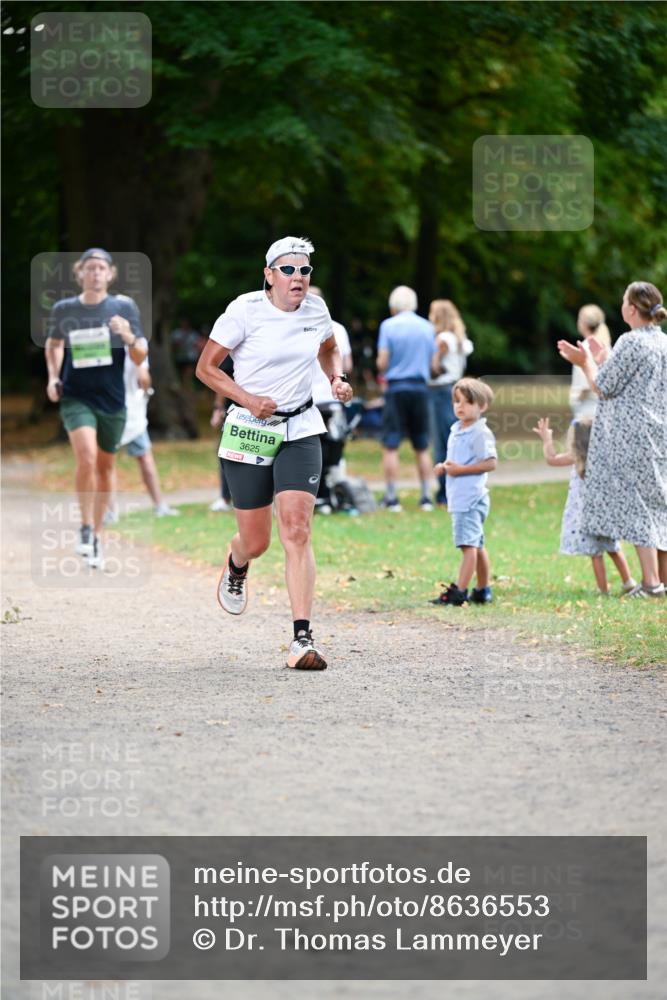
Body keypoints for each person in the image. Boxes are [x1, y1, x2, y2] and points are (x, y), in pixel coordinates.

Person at [195, 236, 353, 670]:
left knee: (297, 529)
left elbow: (327, 348)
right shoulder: (244, 310)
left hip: (300, 427)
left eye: (304, 271)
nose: (298, 278)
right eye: (288, 270)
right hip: (249, 429)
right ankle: (237, 561)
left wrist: (335, 378)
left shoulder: (317, 311)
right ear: (269, 275)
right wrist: (246, 398)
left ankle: (303, 639)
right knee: (257, 540)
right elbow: (206, 369)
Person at [558, 281, 667, 598]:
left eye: (623, 301)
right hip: (660, 434)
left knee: (639, 508)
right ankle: (661, 580)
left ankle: (650, 584)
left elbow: (602, 387)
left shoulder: (631, 341)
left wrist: (585, 362)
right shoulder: (662, 342)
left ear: (632, 308)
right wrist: (605, 358)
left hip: (633, 437)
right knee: (659, 503)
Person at [44, 248, 148, 569]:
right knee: (86, 457)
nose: (95, 273)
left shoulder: (122, 307)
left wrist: (126, 334)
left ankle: (96, 536)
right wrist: (52, 377)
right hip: (76, 396)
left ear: (111, 273)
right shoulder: (65, 309)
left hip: (112, 400)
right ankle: (85, 526)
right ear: (80, 273)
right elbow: (55, 344)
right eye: (89, 268)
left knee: (105, 468)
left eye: (101, 268)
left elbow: (141, 355)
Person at [532, 417, 635, 594]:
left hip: (586, 515)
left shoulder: (576, 457)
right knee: (613, 548)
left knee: (595, 553)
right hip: (605, 513)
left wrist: (547, 439)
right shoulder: (605, 456)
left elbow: (552, 459)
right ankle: (628, 582)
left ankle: (603, 590)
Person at [431, 378, 497, 606]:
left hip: (471, 498)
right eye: (457, 401)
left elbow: (490, 463)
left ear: (482, 406)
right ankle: (482, 590)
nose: (460, 406)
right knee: (476, 545)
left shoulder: (479, 433)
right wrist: (445, 466)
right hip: (461, 496)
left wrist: (460, 470)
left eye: (468, 402)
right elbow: (457, 460)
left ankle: (460, 592)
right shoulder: (457, 429)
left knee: (468, 546)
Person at [376, 286, 436, 512]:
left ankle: (392, 498)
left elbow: (382, 362)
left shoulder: (388, 326)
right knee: (422, 445)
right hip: (420, 389)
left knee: (391, 445)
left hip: (396, 388)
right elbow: (433, 363)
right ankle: (425, 497)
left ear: (393, 306)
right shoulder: (427, 327)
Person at [107, 352, 179, 521]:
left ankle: (111, 512)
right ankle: (159, 505)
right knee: (144, 458)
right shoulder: (135, 342)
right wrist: (145, 391)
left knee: (110, 461)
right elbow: (144, 378)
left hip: (118, 408)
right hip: (128, 409)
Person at [309, 285, 353, 514]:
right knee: (332, 451)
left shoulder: (295, 328)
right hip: (330, 400)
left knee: (312, 451)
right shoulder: (338, 329)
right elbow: (347, 365)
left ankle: (318, 496)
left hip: (311, 401)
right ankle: (326, 496)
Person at [428, 299, 474, 506]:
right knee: (455, 437)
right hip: (456, 388)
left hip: (439, 391)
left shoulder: (442, 339)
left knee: (442, 440)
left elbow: (434, 367)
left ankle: (444, 492)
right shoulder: (460, 340)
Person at [568, 304, 611, 419]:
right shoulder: (606, 346)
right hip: (604, 412)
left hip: (587, 412)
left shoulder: (585, 348)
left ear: (583, 323)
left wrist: (576, 403)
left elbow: (585, 386)